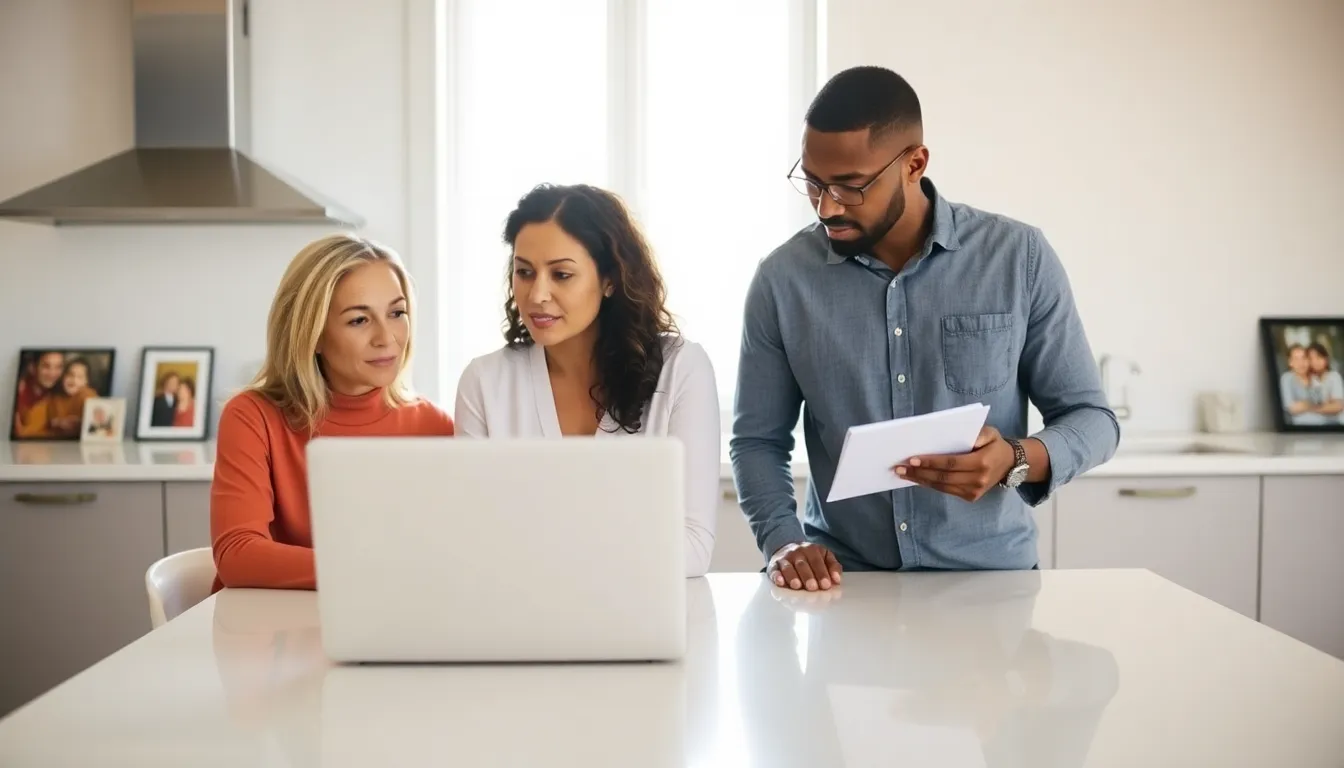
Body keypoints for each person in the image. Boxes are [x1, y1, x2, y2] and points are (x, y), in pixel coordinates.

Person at [731, 66, 1118, 591]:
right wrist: (784, 541)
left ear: (915, 163)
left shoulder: (1019, 259)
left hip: (992, 587)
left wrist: (1015, 458)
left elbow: (1092, 419)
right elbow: (757, 440)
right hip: (847, 589)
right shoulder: (781, 282)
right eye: (813, 182)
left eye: (850, 186)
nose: (827, 207)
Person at [454, 183, 720, 577]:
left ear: (610, 279)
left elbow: (693, 547)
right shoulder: (484, 382)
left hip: (640, 621)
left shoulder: (682, 369)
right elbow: (476, 541)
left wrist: (538, 550)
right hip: (522, 622)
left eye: (561, 275)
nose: (537, 294)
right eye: (524, 272)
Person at [210, 233, 455, 591]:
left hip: (381, 625)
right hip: (265, 631)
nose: (386, 337)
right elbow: (237, 555)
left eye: (397, 313)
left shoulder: (434, 426)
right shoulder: (252, 416)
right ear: (314, 334)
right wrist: (373, 572)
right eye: (359, 320)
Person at [15, 358, 100, 439]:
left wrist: (81, 423)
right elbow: (35, 425)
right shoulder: (53, 397)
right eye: (70, 375)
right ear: (62, 376)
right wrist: (56, 423)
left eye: (80, 377)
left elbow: (99, 424)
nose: (74, 380)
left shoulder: (87, 395)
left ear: (86, 382)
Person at [12, 351, 64, 435]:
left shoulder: (58, 390)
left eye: (58, 367)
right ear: (32, 367)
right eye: (46, 366)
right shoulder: (19, 392)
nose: (52, 373)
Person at [1305, 343, 1344, 424]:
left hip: (1337, 422)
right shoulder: (1311, 379)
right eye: (1311, 359)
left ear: (1325, 358)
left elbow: (1337, 406)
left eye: (1318, 357)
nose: (1315, 362)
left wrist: (1313, 409)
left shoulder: (1334, 377)